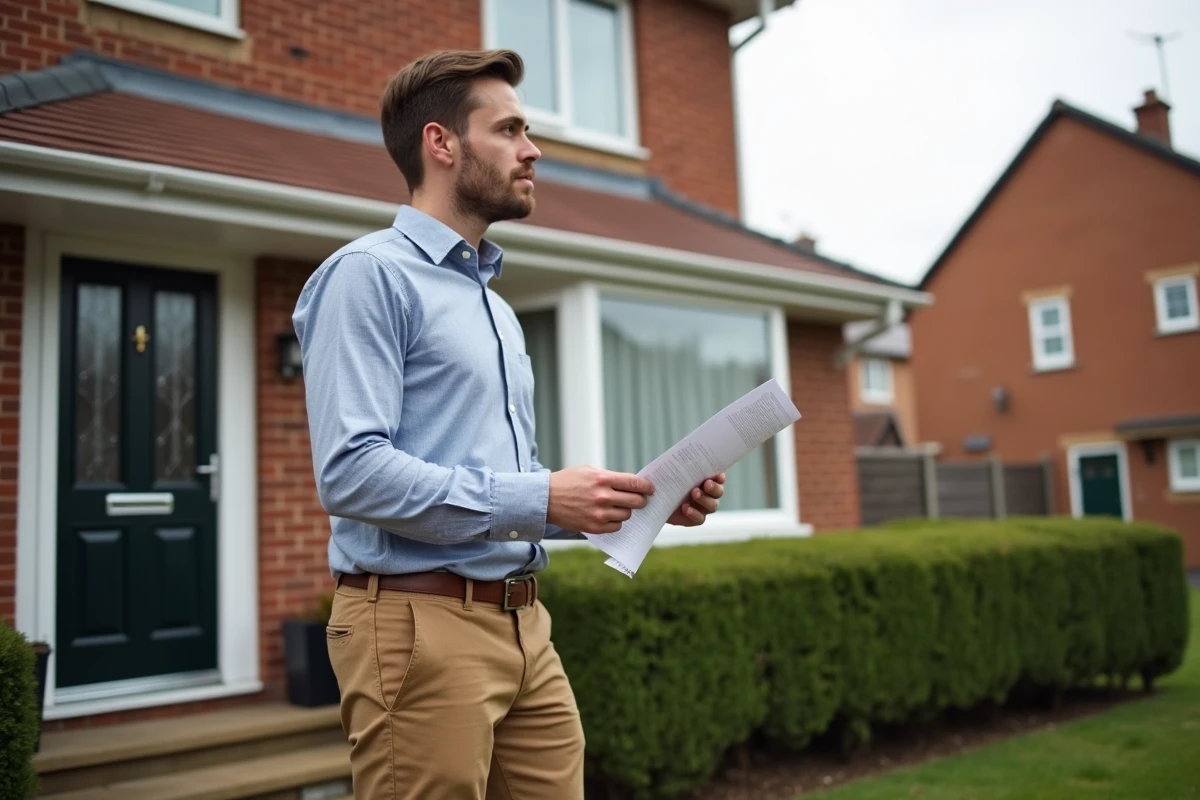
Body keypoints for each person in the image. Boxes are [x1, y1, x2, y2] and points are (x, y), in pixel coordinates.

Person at [292, 48, 727, 800]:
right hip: (417, 627)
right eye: (511, 130)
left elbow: (513, 488)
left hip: (526, 628)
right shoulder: (368, 276)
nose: (533, 151)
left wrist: (636, 501)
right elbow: (351, 472)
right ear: (441, 144)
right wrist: (542, 498)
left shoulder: (494, 306)